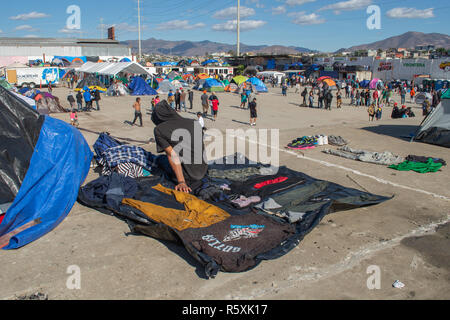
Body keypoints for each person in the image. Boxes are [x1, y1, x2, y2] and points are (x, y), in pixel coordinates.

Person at [151, 100, 208, 192]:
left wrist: (181, 181)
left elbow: (172, 156)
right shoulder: (194, 122)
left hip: (188, 176)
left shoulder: (159, 130)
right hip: (203, 170)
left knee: (159, 159)